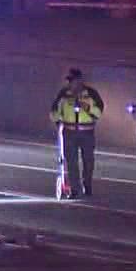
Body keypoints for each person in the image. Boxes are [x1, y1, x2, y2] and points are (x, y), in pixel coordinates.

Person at [50, 68, 104, 199]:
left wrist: (85, 106)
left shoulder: (91, 93)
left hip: (86, 132)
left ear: (79, 80)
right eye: (69, 81)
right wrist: (58, 123)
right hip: (69, 133)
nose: (70, 83)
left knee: (88, 161)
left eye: (72, 80)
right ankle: (74, 189)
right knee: (71, 162)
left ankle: (87, 186)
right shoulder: (64, 94)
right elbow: (54, 111)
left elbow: (99, 111)